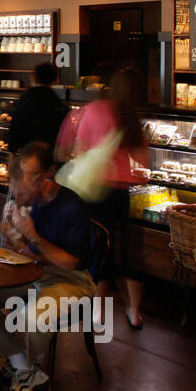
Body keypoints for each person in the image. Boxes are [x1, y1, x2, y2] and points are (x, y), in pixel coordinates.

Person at [0, 142, 95, 391]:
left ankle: (26, 369)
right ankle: (23, 366)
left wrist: (32, 236)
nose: (26, 180)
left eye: (33, 174)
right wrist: (9, 236)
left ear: (51, 172)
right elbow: (28, 255)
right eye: (23, 173)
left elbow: (72, 263)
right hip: (33, 274)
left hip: (72, 282)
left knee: (31, 318)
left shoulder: (72, 206)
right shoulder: (27, 201)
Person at [55, 64, 148, 330]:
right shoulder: (131, 117)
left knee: (100, 249)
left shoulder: (96, 110)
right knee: (127, 251)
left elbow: (80, 149)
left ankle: (98, 312)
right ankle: (134, 311)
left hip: (94, 190)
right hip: (123, 192)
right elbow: (142, 158)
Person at [7, 62, 68, 154]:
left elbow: (15, 127)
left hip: (27, 153)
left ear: (33, 77)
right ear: (55, 80)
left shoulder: (26, 98)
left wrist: (12, 150)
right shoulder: (57, 102)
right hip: (49, 154)